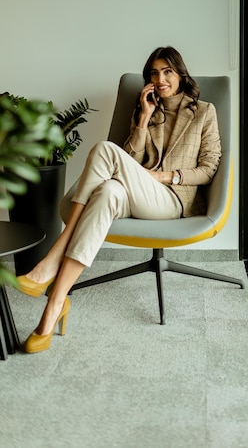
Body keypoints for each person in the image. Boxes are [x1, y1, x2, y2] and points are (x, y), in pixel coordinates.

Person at [16, 46, 221, 353]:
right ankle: (55, 304)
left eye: (167, 72)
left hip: (173, 199)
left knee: (104, 149)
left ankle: (54, 257)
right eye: (154, 72)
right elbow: (132, 159)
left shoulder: (204, 112)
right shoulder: (147, 110)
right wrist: (143, 119)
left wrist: (164, 177)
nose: (161, 78)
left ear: (181, 75)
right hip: (137, 192)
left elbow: (208, 168)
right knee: (108, 192)